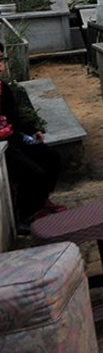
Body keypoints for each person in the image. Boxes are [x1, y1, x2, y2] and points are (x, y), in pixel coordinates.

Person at [0, 49, 66, 231]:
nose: (1, 67)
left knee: (51, 157)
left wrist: (32, 130)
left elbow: (14, 116)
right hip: (2, 147)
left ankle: (41, 200)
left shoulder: (3, 89)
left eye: (1, 61)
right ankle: (26, 215)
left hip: (13, 138)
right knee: (32, 172)